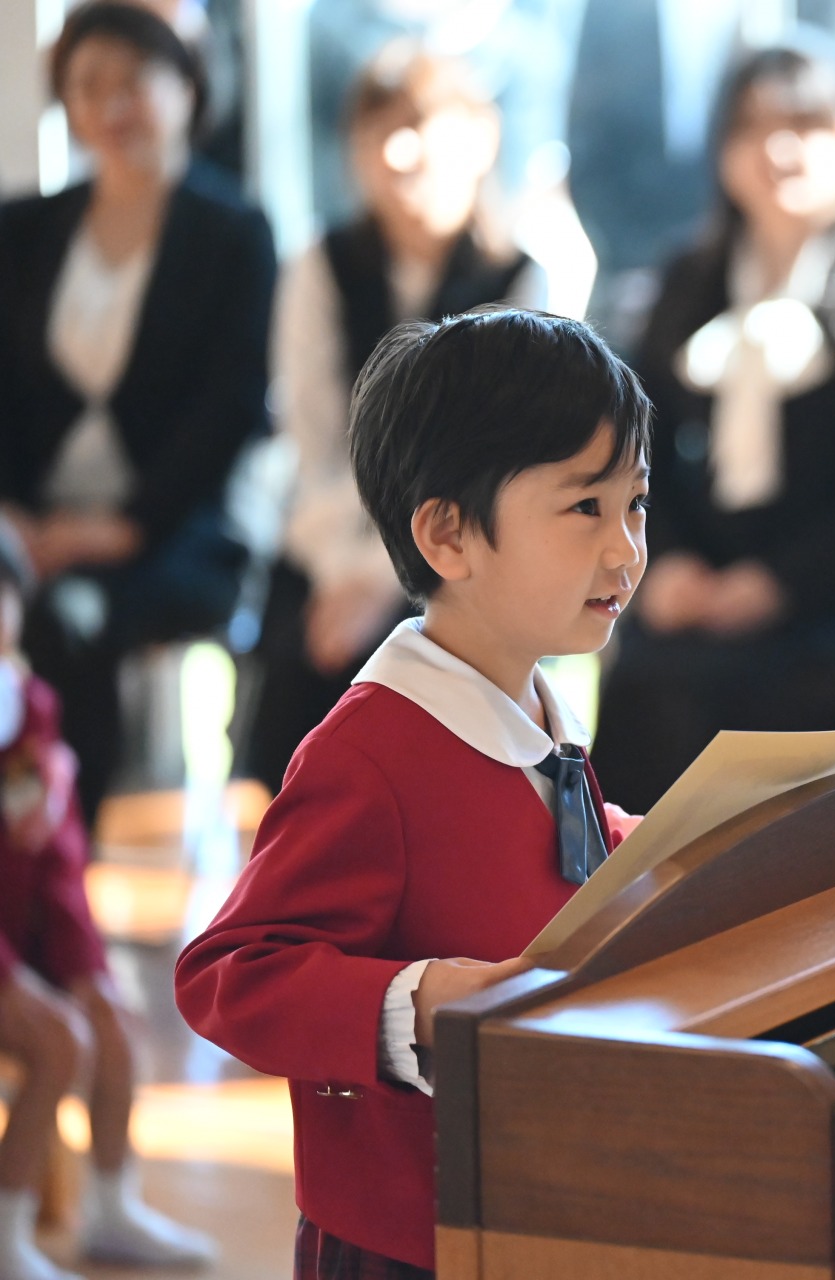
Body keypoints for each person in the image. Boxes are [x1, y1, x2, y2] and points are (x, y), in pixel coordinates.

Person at [174, 310, 650, 1277]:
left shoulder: (532, 709)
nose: (626, 550)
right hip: (405, 1237)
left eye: (636, 505)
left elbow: (543, 843)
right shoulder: (371, 755)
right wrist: (419, 998)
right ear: (447, 536)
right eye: (585, 509)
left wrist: (668, 837)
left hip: (524, 1203)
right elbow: (231, 972)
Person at [590, 40, 835, 811]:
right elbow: (636, 448)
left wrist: (775, 585)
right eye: (751, 127)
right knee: (650, 682)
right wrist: (668, 562)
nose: (777, 150)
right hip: (703, 582)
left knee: (801, 688)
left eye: (802, 125)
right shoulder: (686, 281)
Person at [244, 43, 550, 792]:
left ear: (481, 138)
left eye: (420, 124)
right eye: (376, 130)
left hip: (463, 556)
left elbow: (494, 462)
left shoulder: (519, 278)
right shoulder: (322, 265)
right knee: (290, 696)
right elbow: (314, 441)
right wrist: (343, 572)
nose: (398, 150)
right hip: (329, 545)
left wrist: (387, 579)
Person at [0, 0, 276, 826]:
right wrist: (16, 521)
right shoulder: (22, 229)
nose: (112, 107)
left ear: (186, 86)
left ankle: (57, 860)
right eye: (89, 87)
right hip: (27, 528)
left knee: (62, 621)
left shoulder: (235, 234)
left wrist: (121, 528)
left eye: (133, 82)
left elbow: (229, 409)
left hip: (173, 532)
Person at [0, 538, 218, 1280]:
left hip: (22, 943)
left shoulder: (30, 707)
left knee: (113, 1026)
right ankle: (8, 1228)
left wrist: (83, 967)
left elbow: (59, 865)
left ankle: (111, 1208)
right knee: (58, 1042)